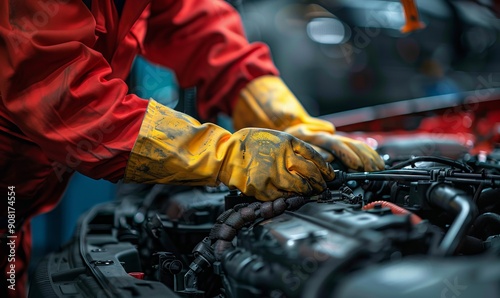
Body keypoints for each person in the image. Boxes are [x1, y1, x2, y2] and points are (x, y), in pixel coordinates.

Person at [0, 1, 384, 296]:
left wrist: (289, 121)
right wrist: (228, 156)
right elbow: (67, 97)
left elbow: (200, 29)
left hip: (19, 198)